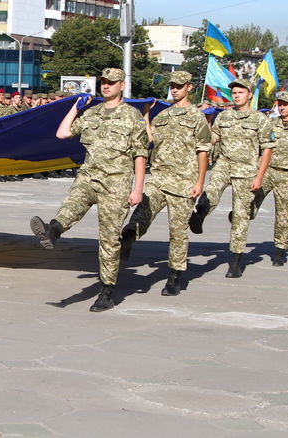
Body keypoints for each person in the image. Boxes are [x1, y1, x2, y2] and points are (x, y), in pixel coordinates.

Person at [29, 68, 148, 312]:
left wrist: (138, 189)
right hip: (88, 176)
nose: (106, 86)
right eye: (103, 82)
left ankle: (106, 290)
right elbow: (62, 133)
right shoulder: (92, 113)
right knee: (71, 205)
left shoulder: (132, 116)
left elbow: (140, 155)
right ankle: (53, 231)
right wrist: (75, 107)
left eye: (112, 83)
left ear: (121, 86)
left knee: (108, 239)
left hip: (116, 184)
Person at [118, 71, 211, 296]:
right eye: (172, 86)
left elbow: (203, 151)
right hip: (159, 177)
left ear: (189, 87)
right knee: (142, 213)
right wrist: (147, 115)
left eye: (179, 86)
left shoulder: (196, 117)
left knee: (178, 232)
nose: (175, 89)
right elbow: (149, 139)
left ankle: (175, 277)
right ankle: (128, 238)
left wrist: (200, 182)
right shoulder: (163, 115)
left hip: (183, 182)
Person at [188, 78, 275, 278]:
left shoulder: (260, 119)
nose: (236, 95)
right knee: (212, 191)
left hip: (246, 171)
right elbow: (213, 137)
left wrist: (259, 177)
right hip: (224, 164)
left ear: (250, 95)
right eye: (234, 92)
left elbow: (267, 150)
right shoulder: (224, 116)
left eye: (240, 92)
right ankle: (199, 215)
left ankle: (235, 260)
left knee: (240, 216)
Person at [246, 91, 288, 266]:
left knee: (283, 214)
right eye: (280, 104)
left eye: (285, 104)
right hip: (267, 171)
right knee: (249, 198)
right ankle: (244, 215)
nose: (282, 107)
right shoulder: (271, 123)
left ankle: (280, 250)